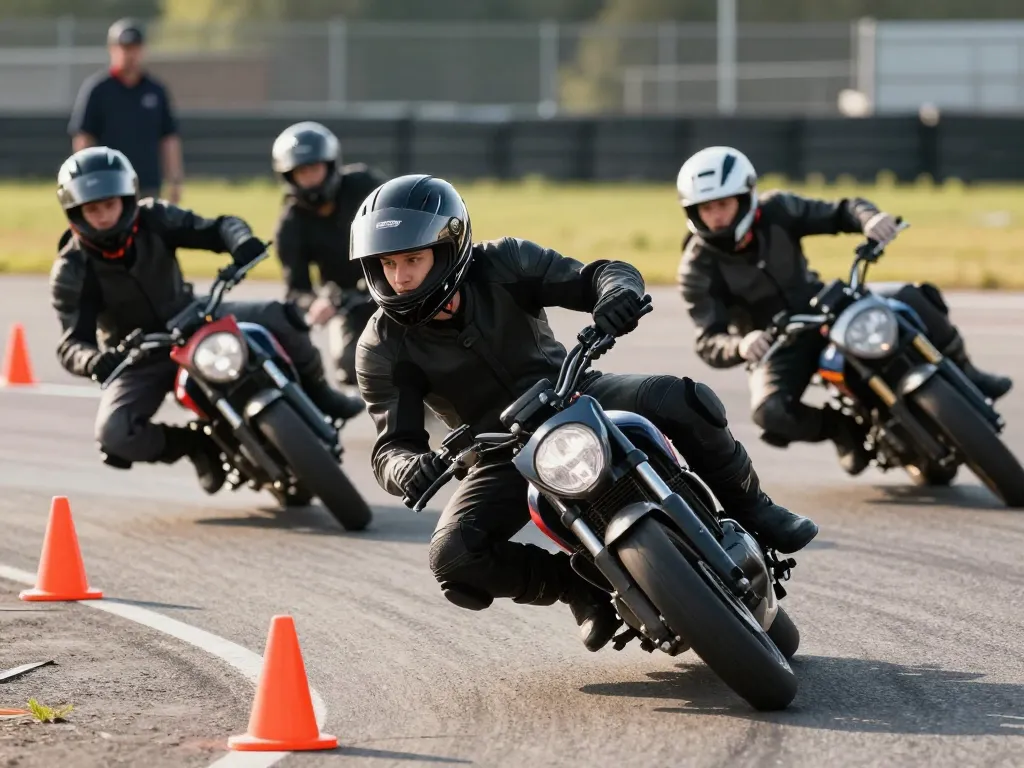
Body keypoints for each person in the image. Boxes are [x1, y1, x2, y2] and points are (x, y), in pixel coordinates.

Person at [351, 174, 818, 653]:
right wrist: (407, 467)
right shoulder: (380, 347)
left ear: (448, 250)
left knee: (684, 398)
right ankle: (580, 588)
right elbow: (392, 446)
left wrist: (617, 295)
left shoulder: (505, 262)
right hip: (501, 452)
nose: (400, 277)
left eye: (413, 259)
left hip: (577, 394)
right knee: (452, 558)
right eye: (388, 263)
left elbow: (598, 273)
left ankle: (754, 509)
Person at [675, 146, 1012, 476]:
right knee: (770, 412)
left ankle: (967, 372)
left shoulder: (778, 208)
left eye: (723, 204)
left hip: (828, 306)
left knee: (911, 296)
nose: (715, 215)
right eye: (705, 208)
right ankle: (843, 431)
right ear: (693, 213)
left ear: (745, 197)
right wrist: (741, 345)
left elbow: (841, 210)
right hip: (777, 342)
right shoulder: (696, 268)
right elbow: (708, 339)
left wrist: (870, 219)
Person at [49, 146, 363, 494]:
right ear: (75, 212)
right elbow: (71, 343)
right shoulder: (71, 269)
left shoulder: (154, 218)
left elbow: (217, 227)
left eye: (110, 204)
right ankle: (196, 445)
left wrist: (240, 242)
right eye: (93, 209)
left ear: (128, 198)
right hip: (138, 354)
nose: (104, 215)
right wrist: (93, 359)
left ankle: (319, 393)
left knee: (281, 315)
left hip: (195, 318)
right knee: (114, 435)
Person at [271, 121, 388, 407]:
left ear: (331, 164)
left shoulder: (364, 185)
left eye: (314, 168)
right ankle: (395, 407)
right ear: (290, 177)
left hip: (394, 279)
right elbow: (296, 289)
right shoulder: (290, 225)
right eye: (301, 172)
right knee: (348, 363)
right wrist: (317, 302)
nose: (309, 177)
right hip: (346, 300)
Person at [68, 18, 183, 202]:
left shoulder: (155, 90)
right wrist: (85, 179)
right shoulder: (98, 89)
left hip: (148, 184)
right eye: (125, 48)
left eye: (135, 48)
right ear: (112, 49)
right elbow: (84, 137)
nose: (130, 54)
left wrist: (175, 180)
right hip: (109, 185)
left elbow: (169, 138)